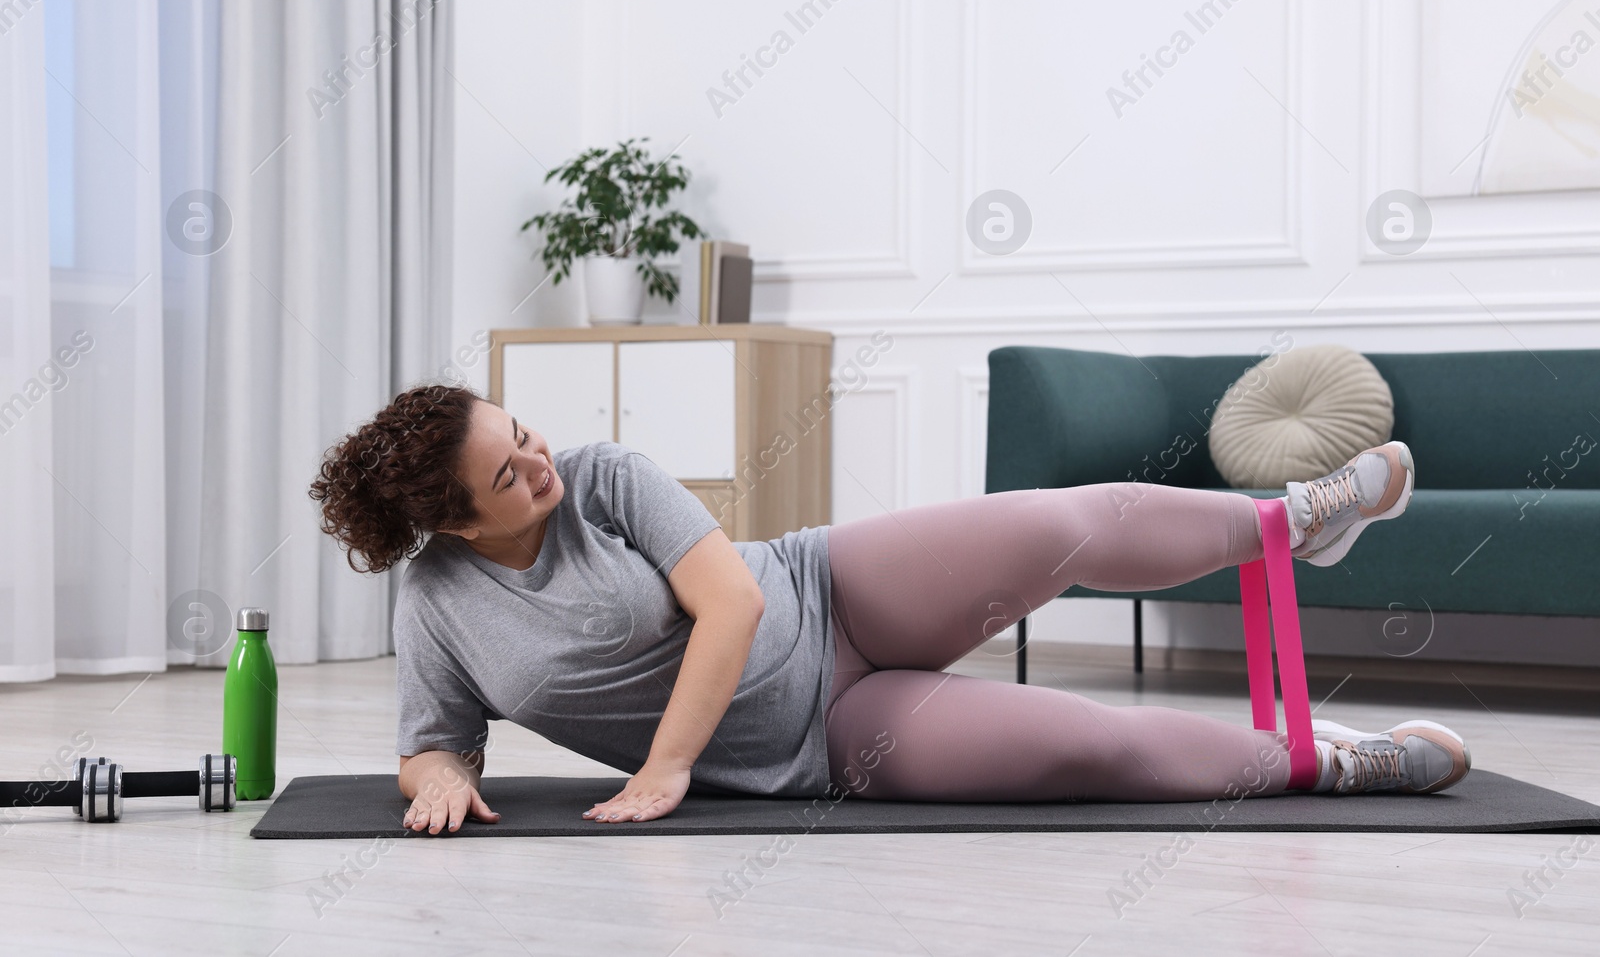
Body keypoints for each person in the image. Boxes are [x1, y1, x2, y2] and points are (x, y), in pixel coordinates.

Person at [308, 384, 1470, 836]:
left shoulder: (606, 476)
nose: (536, 459)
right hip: (821, 741)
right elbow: (432, 740)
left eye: (522, 432)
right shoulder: (442, 602)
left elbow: (733, 599)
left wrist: (664, 769)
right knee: (1086, 744)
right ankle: (1337, 760)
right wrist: (441, 776)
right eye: (507, 473)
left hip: (831, 588)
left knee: (1060, 522)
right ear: (456, 523)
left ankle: (1294, 522)